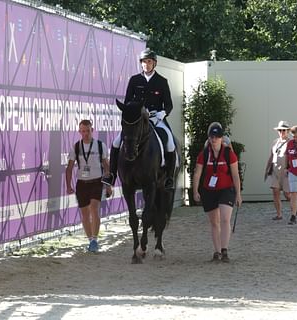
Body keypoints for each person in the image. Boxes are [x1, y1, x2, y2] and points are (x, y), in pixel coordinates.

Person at [102, 48, 176, 189]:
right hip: (138, 119)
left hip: (156, 118)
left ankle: (169, 177)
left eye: (149, 62)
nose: (146, 65)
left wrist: (162, 113)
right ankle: (112, 174)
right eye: (144, 62)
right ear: (141, 64)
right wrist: (138, 110)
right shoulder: (135, 80)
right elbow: (128, 101)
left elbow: (169, 105)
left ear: (154, 63)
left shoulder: (161, 81)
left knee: (170, 141)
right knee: (117, 142)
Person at [192, 123, 242, 262]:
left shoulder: (229, 154)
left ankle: (224, 250)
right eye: (212, 137)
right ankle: (217, 251)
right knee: (214, 222)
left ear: (222, 138)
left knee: (225, 219)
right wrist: (195, 191)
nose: (214, 139)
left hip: (226, 189)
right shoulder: (204, 154)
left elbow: (236, 175)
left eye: (217, 137)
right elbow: (197, 173)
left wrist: (238, 194)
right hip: (209, 191)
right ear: (208, 138)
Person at [66, 120, 112, 253]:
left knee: (94, 208)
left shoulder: (100, 145)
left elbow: (106, 166)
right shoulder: (76, 146)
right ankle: (90, 239)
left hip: (96, 182)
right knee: (84, 213)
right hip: (82, 183)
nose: (85, 134)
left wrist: (108, 185)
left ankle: (94, 240)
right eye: (83, 131)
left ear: (92, 130)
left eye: (88, 130)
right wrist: (68, 186)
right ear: (79, 132)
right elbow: (69, 168)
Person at [264, 120, 291, 220]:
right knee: (275, 192)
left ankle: (294, 210)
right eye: (280, 130)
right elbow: (271, 156)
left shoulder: (291, 143)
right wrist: (267, 169)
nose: (282, 132)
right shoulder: (275, 142)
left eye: (284, 130)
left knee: (287, 194)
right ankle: (279, 214)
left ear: (288, 131)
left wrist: (291, 169)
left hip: (286, 171)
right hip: (275, 170)